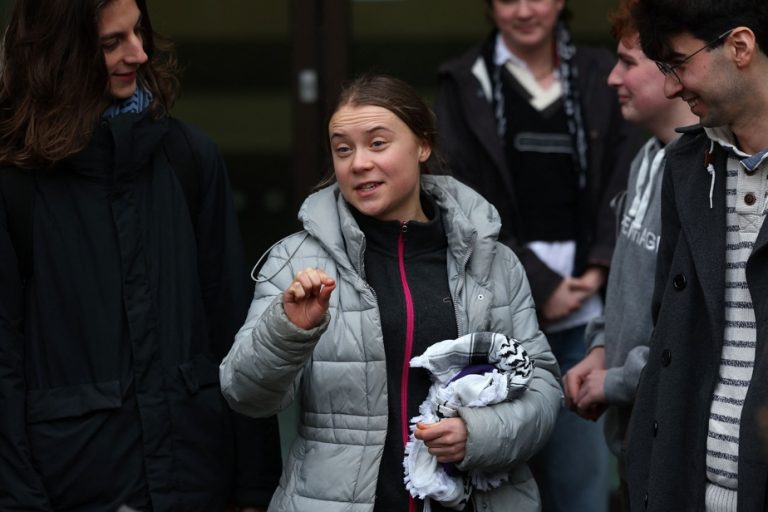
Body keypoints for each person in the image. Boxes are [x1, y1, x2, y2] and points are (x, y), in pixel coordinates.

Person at [219, 74, 562, 512]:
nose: (358, 163)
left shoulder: (491, 259)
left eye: (377, 143)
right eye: (343, 149)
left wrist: (479, 433)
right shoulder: (295, 263)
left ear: (423, 145)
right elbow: (244, 394)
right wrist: (288, 331)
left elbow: (544, 389)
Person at [0, 0, 281, 510]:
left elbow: (235, 330)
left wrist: (254, 488)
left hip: (195, 480)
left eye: (138, 32)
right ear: (58, 54)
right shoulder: (15, 184)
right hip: (71, 486)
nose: (139, 52)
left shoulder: (189, 158)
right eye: (112, 43)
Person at [435, 1, 644, 510]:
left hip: (591, 298)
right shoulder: (465, 80)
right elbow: (460, 193)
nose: (525, 10)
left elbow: (628, 170)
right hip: (496, 295)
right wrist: (543, 286)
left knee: (582, 478)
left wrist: (598, 269)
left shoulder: (601, 72)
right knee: (497, 473)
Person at [624, 0, 768, 510]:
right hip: (689, 488)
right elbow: (668, 327)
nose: (669, 87)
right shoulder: (687, 163)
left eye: (678, 63)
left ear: (740, 46)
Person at [561, 0, 697, 508]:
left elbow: (689, 331)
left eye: (628, 62)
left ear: (673, 69)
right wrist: (598, 349)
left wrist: (614, 381)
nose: (612, 78)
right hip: (633, 438)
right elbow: (626, 285)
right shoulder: (646, 158)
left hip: (677, 453)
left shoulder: (701, 176)